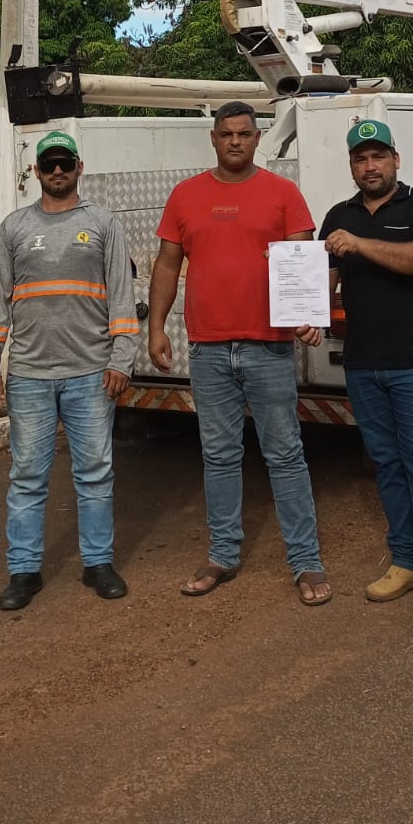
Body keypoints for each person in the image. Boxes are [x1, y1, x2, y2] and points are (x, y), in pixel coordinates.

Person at [148, 101, 332, 606]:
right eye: (226, 133)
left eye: (245, 133)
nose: (235, 141)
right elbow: (166, 264)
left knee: (285, 454)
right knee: (220, 456)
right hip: (207, 350)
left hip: (268, 350)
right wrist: (156, 328)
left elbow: (302, 262)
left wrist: (307, 317)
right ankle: (223, 555)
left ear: (257, 138)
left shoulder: (282, 194)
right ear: (213, 139)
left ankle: (306, 560)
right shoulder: (185, 196)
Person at [0, 130, 138, 611]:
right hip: (28, 374)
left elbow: (122, 298)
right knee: (27, 476)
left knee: (94, 473)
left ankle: (98, 563)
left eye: (65, 163)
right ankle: (23, 571)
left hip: (91, 372)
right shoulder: (14, 229)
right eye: (49, 164)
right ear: (37, 172)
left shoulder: (104, 224)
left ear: (78, 168)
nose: (58, 171)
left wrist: (122, 358)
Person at [317, 119, 413, 628]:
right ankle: (408, 562)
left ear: (396, 160)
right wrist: (304, 312)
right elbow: (323, 283)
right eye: (360, 158)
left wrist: (359, 245)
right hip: (363, 363)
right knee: (388, 465)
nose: (370, 165)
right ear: (352, 165)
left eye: (378, 156)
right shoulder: (338, 216)